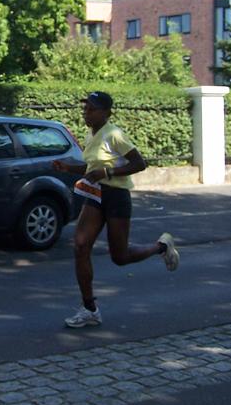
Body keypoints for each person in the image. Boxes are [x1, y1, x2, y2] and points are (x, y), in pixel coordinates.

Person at [52, 91, 179, 328]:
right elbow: (92, 168)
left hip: (117, 196)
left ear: (106, 113)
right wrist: (68, 168)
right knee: (80, 246)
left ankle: (161, 246)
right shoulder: (91, 134)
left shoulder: (115, 135)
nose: (86, 113)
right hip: (96, 195)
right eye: (85, 108)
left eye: (91, 109)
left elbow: (139, 163)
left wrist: (107, 173)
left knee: (119, 257)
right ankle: (89, 308)